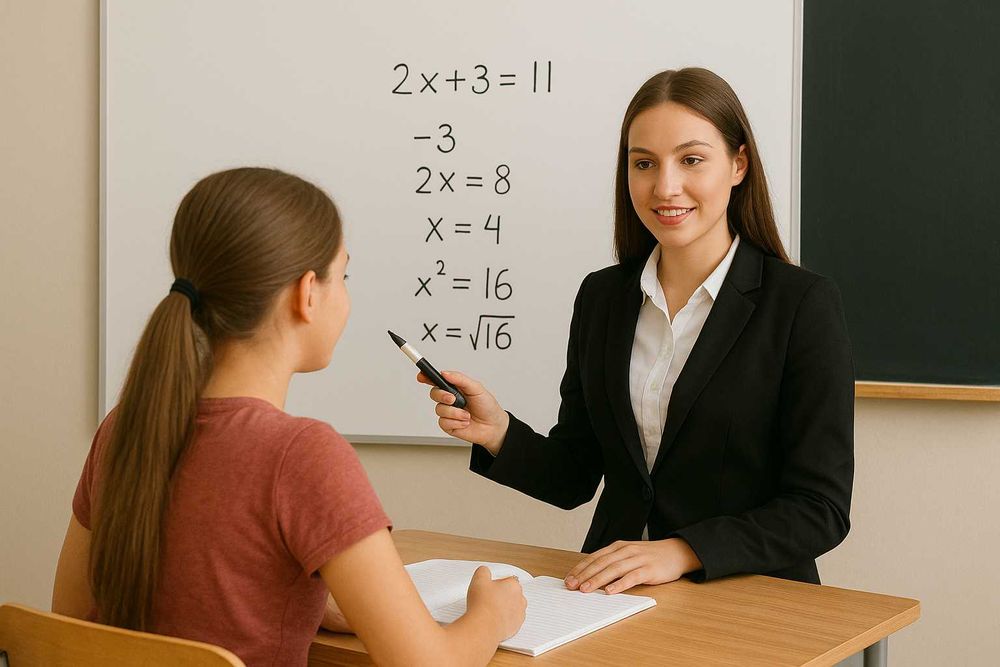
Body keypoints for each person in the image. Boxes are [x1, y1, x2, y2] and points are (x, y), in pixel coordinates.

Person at [52, 167, 525, 666]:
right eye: (343, 276)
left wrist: (309, 602)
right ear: (307, 294)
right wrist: (491, 616)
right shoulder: (302, 456)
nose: (346, 295)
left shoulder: (123, 428)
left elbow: (67, 623)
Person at [422, 67, 855, 594]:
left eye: (691, 160)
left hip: (748, 598)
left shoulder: (801, 304)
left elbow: (820, 508)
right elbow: (575, 474)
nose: (665, 187)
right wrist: (497, 433)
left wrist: (683, 551)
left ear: (738, 165)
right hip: (613, 595)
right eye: (644, 163)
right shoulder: (603, 297)